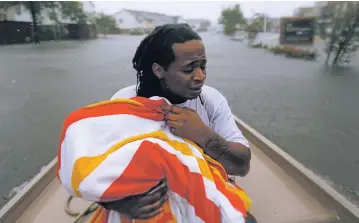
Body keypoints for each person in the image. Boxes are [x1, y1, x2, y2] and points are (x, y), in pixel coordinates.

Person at [100, 23, 256, 222]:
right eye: (189, 69)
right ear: (158, 70)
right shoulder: (125, 103)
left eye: (203, 66)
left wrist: (203, 134)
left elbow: (242, 166)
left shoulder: (211, 100)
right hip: (150, 202)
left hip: (203, 188)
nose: (200, 76)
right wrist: (118, 203)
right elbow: (100, 169)